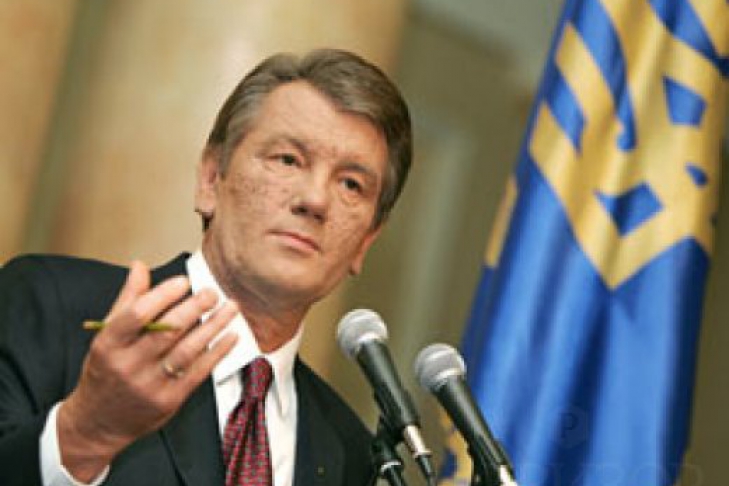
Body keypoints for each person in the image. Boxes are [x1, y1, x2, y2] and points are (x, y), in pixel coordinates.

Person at [0, 48, 412, 486]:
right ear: (212, 178)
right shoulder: (52, 306)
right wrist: (85, 433)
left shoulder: (351, 452)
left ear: (366, 241)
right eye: (288, 160)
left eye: (351, 184)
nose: (314, 200)